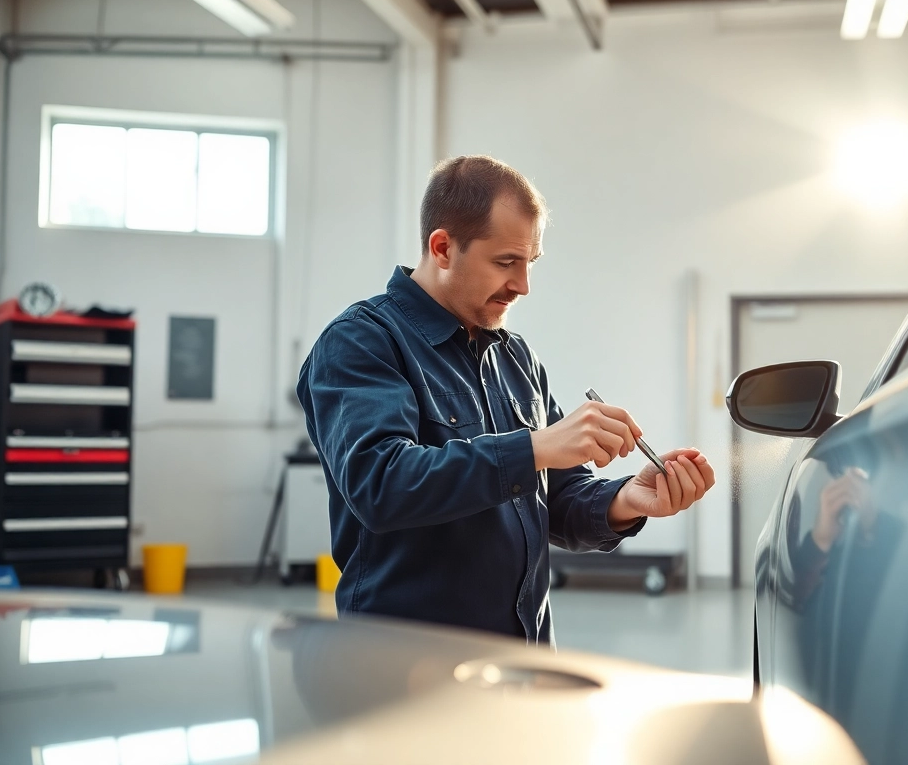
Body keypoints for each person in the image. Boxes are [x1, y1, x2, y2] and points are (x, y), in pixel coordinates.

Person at [296, 155, 714, 644]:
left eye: (529, 263)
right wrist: (534, 447)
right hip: (405, 668)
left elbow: (556, 499)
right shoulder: (361, 342)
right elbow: (380, 484)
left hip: (523, 661)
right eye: (505, 262)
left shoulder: (517, 358)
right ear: (443, 247)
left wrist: (625, 500)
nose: (523, 285)